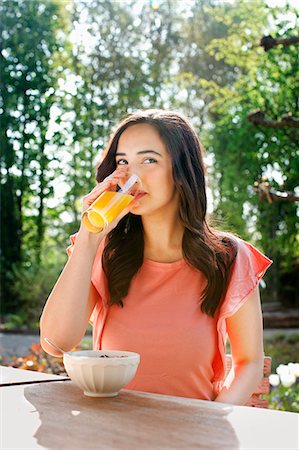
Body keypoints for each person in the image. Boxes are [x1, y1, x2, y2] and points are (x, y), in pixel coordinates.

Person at [40, 109, 273, 405]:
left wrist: (212, 422)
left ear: (182, 170)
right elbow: (55, 343)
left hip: (193, 436)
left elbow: (249, 363)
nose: (132, 176)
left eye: (149, 160)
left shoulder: (228, 257)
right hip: (112, 435)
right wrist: (89, 235)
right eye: (123, 162)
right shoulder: (104, 251)